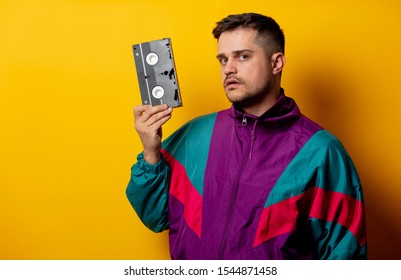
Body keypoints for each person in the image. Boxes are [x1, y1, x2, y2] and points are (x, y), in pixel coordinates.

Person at [126, 12, 367, 260]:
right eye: (222, 59)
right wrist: (151, 152)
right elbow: (155, 216)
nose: (229, 69)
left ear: (276, 63)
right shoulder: (195, 135)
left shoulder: (321, 151)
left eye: (243, 56)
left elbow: (345, 254)